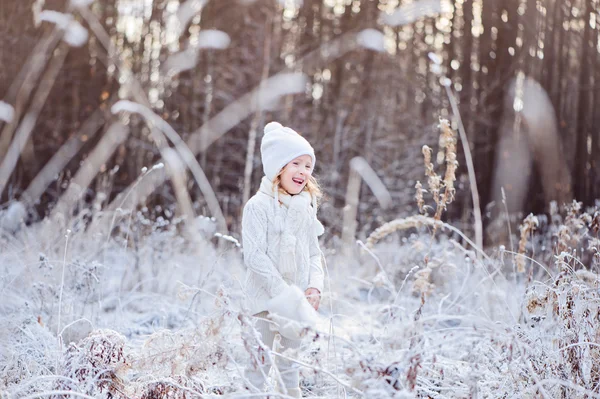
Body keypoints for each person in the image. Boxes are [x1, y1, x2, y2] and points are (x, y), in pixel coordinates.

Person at [242, 121, 325, 398]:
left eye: (308, 165)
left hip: (296, 301)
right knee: (258, 366)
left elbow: (314, 253)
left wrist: (314, 287)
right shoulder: (258, 206)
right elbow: (255, 257)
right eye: (296, 164)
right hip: (263, 303)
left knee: (290, 368)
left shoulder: (305, 209)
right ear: (278, 167)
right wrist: (284, 294)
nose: (303, 171)